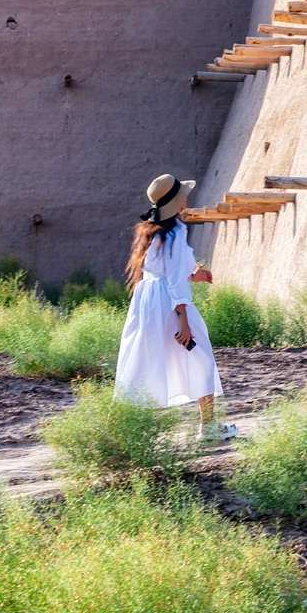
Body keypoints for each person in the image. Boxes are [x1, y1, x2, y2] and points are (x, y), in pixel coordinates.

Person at [113, 173, 235, 443]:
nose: (186, 199)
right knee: (201, 355)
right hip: (170, 301)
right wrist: (183, 321)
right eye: (183, 196)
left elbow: (164, 270)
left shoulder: (149, 231)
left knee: (145, 363)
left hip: (148, 302)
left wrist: (195, 274)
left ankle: (132, 432)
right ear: (177, 201)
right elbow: (174, 280)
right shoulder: (177, 232)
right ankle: (208, 427)